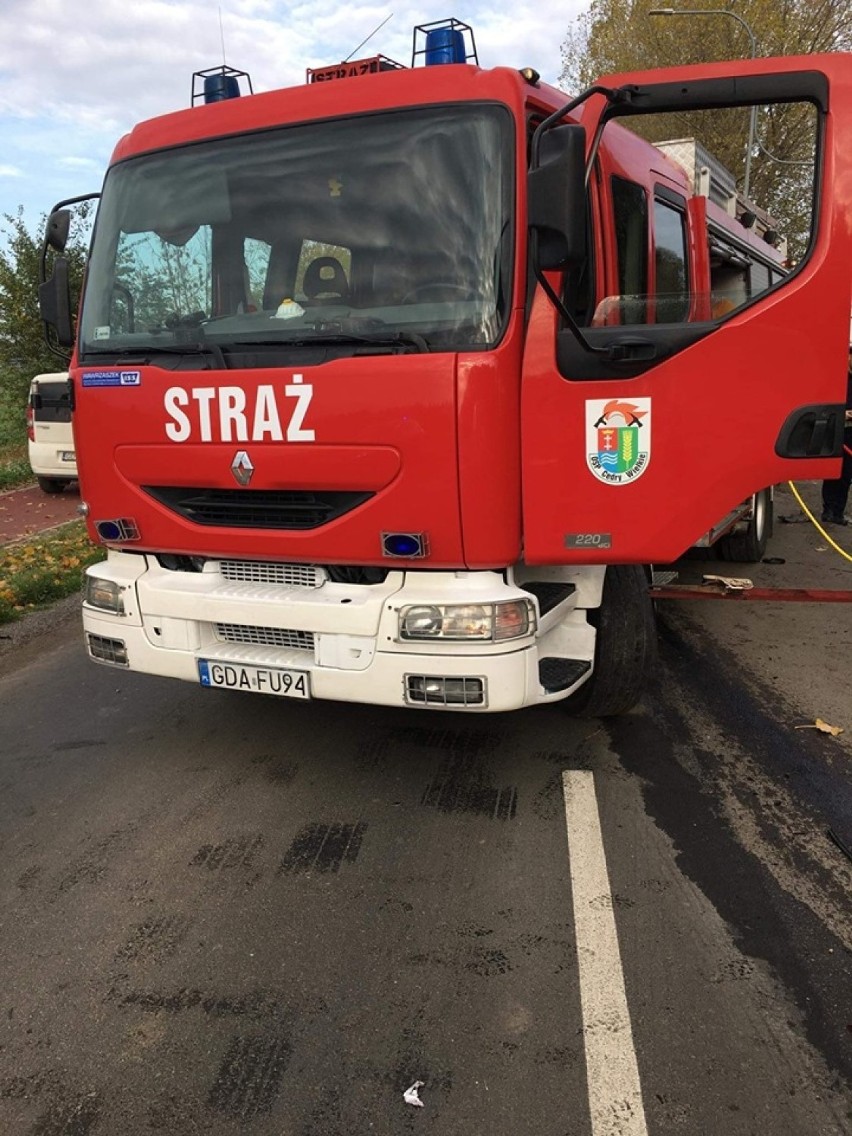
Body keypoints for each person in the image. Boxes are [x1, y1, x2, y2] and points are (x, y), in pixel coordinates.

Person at [820, 345, 852, 525]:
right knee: (832, 471)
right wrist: (844, 413)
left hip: (850, 433)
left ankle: (838, 512)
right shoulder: (838, 379)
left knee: (846, 474)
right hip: (836, 430)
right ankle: (828, 510)